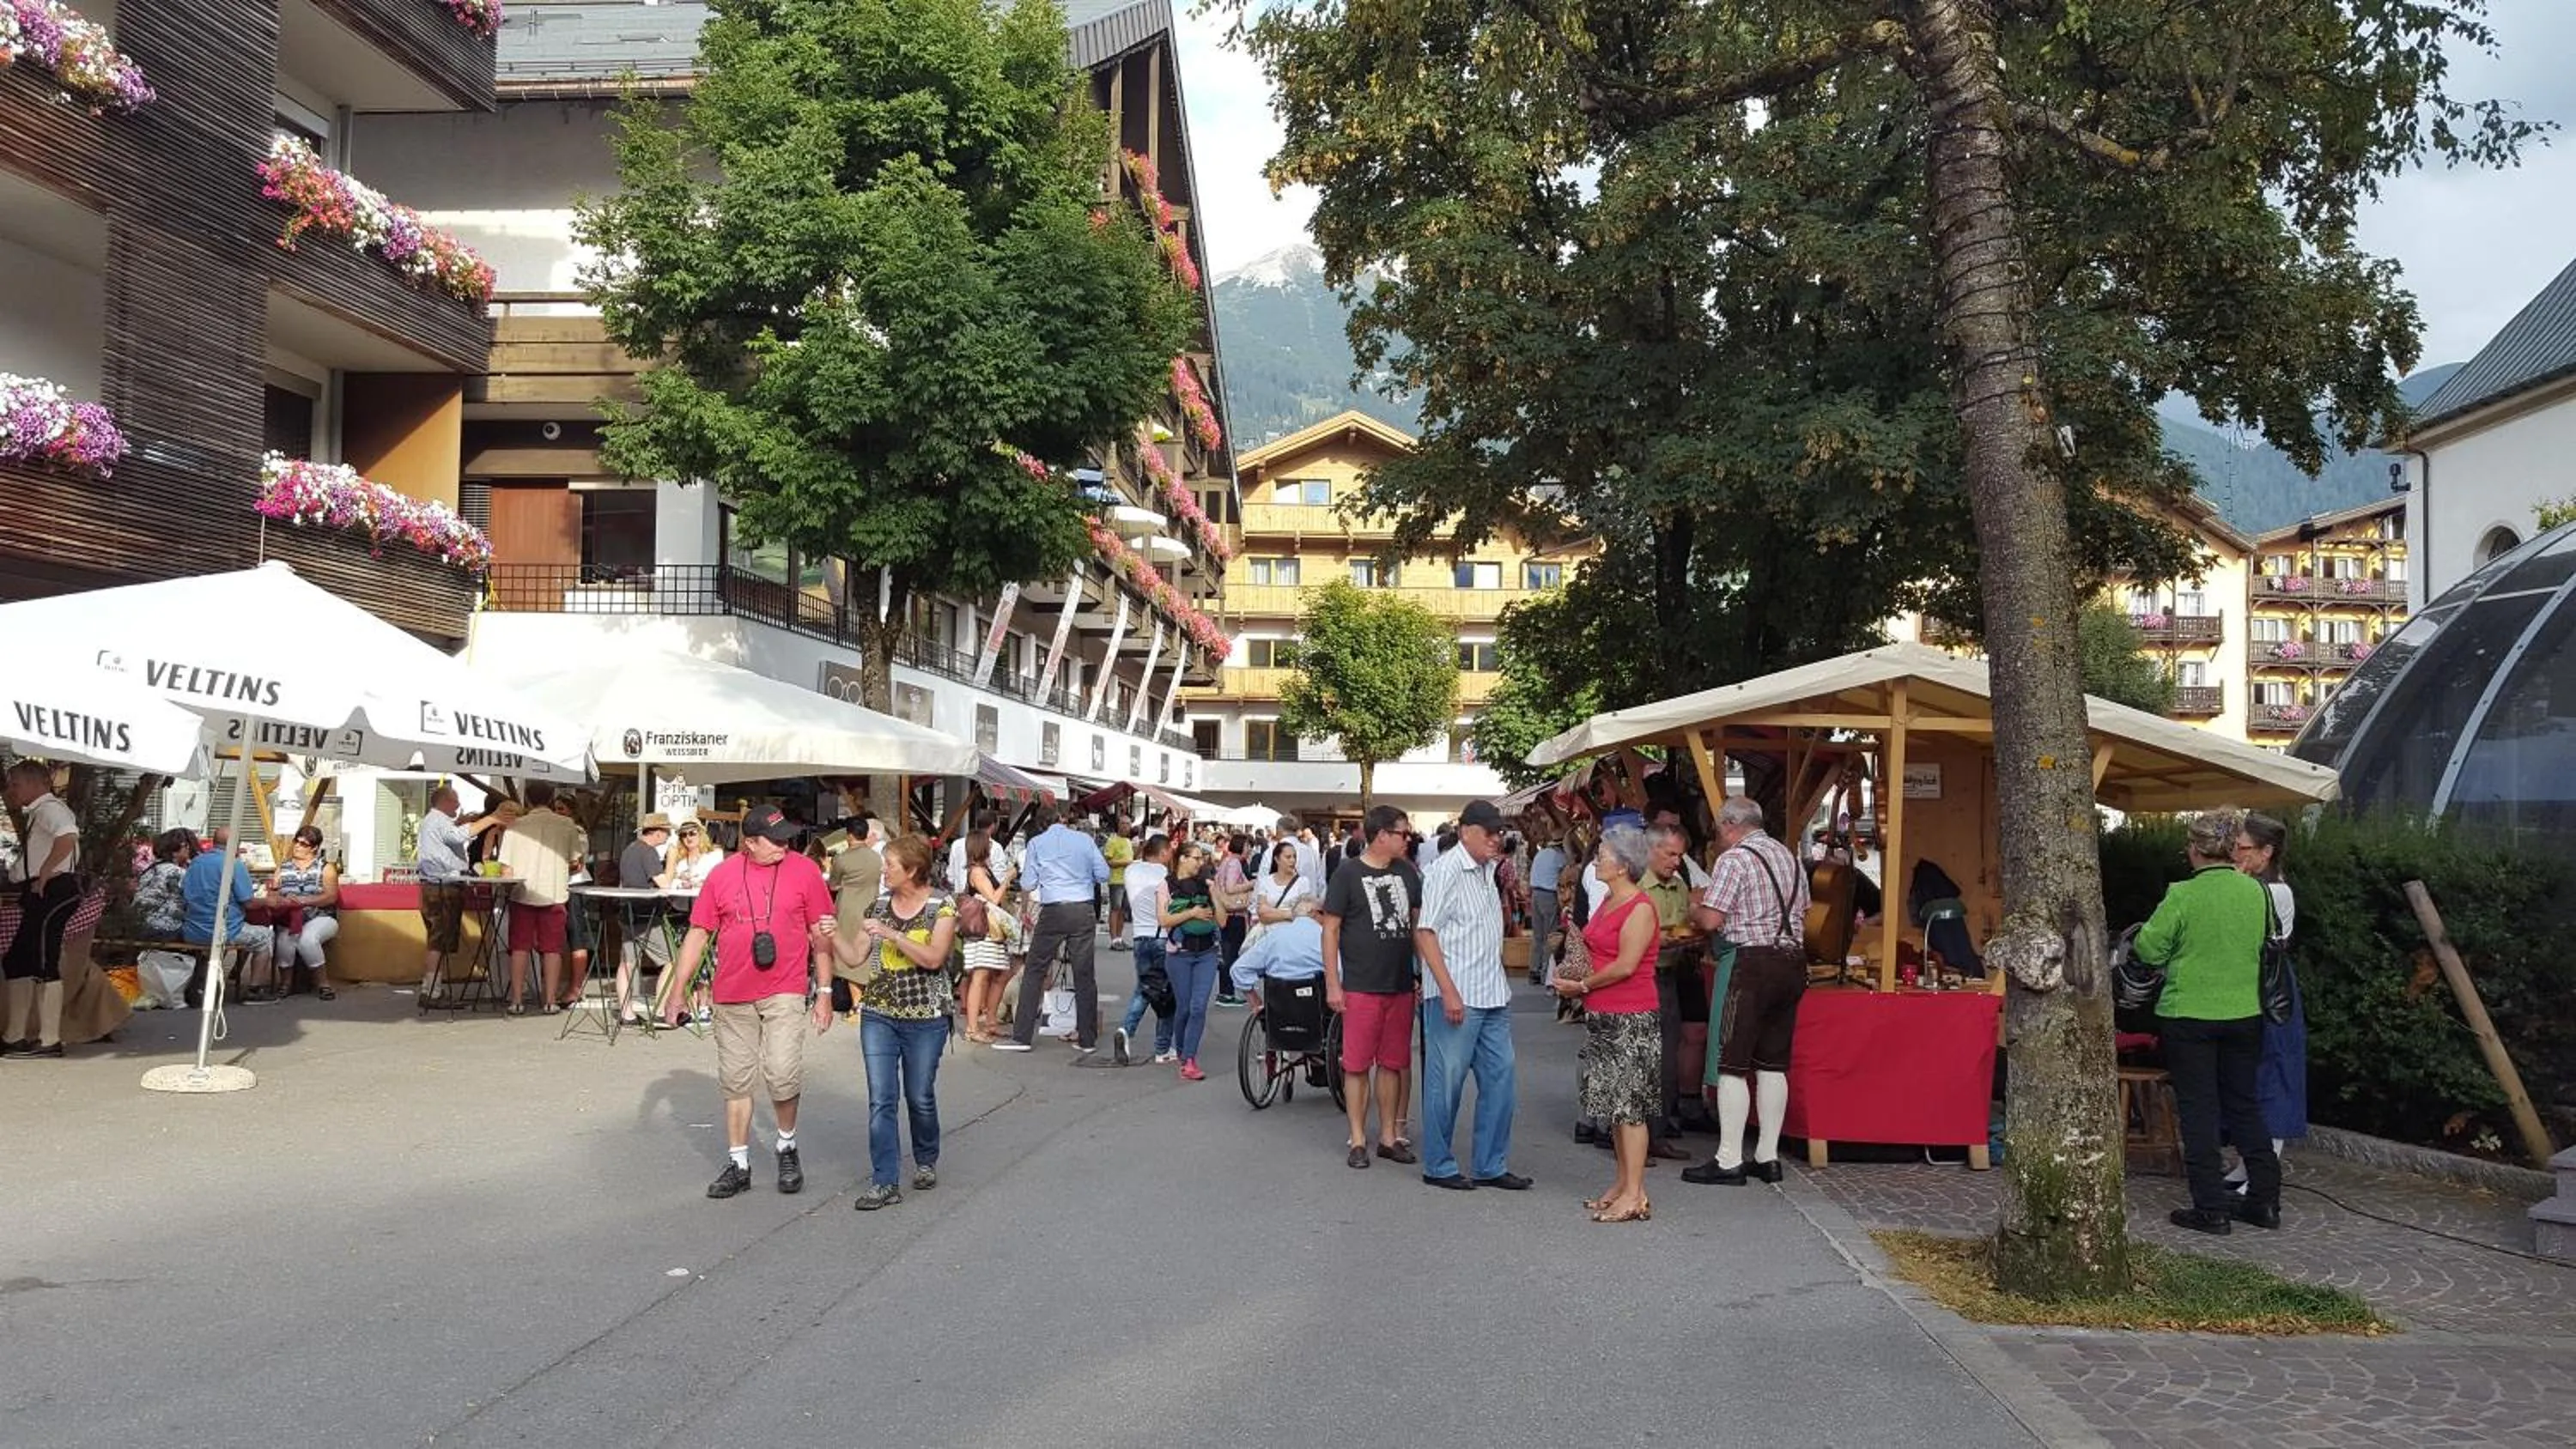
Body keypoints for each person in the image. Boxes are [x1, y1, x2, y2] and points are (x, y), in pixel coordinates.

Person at [667, 804, 837, 1200]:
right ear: (749, 844)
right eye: (775, 840)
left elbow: (820, 934)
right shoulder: (722, 876)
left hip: (785, 988)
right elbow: (698, 933)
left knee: (781, 1071)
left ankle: (786, 1144)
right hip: (732, 993)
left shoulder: (805, 870)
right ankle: (739, 1162)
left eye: (787, 838)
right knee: (736, 1078)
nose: (784, 845)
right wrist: (678, 990)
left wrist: (825, 993)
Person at [2138, 811, 2280, 1234]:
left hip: (2190, 1013)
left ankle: (2211, 1208)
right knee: (2244, 1105)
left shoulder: (2183, 894)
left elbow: (2149, 949)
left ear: (2196, 850)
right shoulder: (2257, 891)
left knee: (2199, 1109)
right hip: (2245, 1012)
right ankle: (2265, 1201)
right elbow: (2268, 940)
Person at [820, 835, 956, 1210]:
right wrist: (832, 937)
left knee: (919, 1096)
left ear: (911, 870)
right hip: (879, 1013)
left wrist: (894, 935)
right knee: (882, 1099)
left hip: (926, 1017)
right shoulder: (878, 905)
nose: (883, 871)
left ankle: (926, 1158)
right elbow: (855, 954)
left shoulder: (941, 906)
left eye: (890, 865)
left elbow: (933, 959)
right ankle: (885, 1181)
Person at [1685, 796, 1812, 1186]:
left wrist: (1694, 906)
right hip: (1792, 960)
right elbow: (1804, 908)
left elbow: (1711, 920)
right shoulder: (1789, 857)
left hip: (1752, 963)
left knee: (1732, 1063)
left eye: (1718, 830)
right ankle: (1767, 1157)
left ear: (1728, 825)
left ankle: (1728, 1159)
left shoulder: (1734, 859)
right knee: (1773, 1063)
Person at [1413, 799, 1528, 1192]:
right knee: (1447, 1083)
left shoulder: (1488, 869)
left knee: (1501, 1080)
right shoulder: (1446, 870)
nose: (1497, 839)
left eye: (1499, 833)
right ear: (1466, 832)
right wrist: (1447, 991)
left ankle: (1490, 1163)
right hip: (1457, 992)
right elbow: (1425, 932)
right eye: (1490, 833)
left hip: (1492, 992)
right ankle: (1439, 1164)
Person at [1552, 824, 1662, 1223]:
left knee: (1630, 1106)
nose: (1597, 859)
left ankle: (1634, 1194)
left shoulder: (1640, 907)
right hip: (1604, 1012)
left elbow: (1626, 965)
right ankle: (1623, 1183)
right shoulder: (1609, 901)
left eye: (1603, 854)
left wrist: (1581, 984)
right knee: (1614, 1105)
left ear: (1623, 865)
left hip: (1631, 1014)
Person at [1322, 804, 1421, 1170]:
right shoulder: (1347, 875)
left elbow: (1415, 926)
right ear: (1382, 835)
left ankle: (1388, 1137)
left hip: (1399, 983)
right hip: (1362, 983)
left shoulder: (1408, 873)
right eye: (1402, 833)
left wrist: (1421, 973)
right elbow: (1330, 929)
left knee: (1393, 1063)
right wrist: (1333, 982)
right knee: (1358, 1064)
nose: (1407, 839)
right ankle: (1358, 1137)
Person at [2230, 810, 2306, 1192]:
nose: (2235, 855)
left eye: (2242, 848)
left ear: (2266, 852)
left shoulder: (2275, 891)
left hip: (2270, 986)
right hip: (2250, 982)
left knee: (2275, 1069)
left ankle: (2265, 1167)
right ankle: (2246, 1164)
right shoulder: (2255, 885)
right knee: (2250, 1072)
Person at [1000, 803, 1108, 1055]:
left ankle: (1022, 1036)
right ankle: (1087, 1038)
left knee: (1035, 970)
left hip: (1053, 908)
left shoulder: (1037, 844)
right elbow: (1102, 873)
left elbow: (1028, 881)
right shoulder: (1084, 840)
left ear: (1039, 824)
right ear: (1061, 818)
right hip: (1082, 908)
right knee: (1084, 973)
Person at [2, 761, 81, 1057]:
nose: (12, 790)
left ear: (35, 783)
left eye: (16, 784)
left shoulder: (51, 809)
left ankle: (49, 1040)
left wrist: (46, 871)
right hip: (39, 890)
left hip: (52, 889)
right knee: (18, 959)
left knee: (42, 958)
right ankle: (15, 1034)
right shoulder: (40, 812)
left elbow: (68, 836)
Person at [1639, 823, 1704, 1153]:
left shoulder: (1679, 887)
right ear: (1651, 850)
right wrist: (1659, 940)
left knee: (1667, 1058)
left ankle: (1659, 1132)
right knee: (1641, 1058)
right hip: (1639, 980)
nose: (1676, 862)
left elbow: (1683, 927)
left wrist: (1690, 938)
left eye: (1680, 855)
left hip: (1668, 978)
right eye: (1670, 854)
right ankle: (1632, 1138)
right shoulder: (1635, 886)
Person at [497, 780, 588, 1016]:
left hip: (522, 892)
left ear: (526, 799)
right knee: (552, 949)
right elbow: (576, 863)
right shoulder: (567, 825)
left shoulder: (515, 826)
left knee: (519, 947)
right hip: (555, 892)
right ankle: (549, 1001)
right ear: (551, 799)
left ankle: (516, 1000)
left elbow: (504, 867)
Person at [412, 785, 501, 1003]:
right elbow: (458, 836)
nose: (458, 805)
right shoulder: (438, 820)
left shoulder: (434, 821)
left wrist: (462, 822)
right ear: (445, 801)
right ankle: (431, 991)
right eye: (455, 800)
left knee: (438, 940)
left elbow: (450, 835)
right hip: (443, 886)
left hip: (436, 885)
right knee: (438, 941)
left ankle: (432, 986)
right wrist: (491, 819)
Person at [1150, 838, 1226, 1079]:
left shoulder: (1206, 884)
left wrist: (1214, 893)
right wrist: (1192, 912)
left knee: (1198, 1007)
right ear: (1182, 858)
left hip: (1207, 953)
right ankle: (1183, 1052)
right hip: (1179, 955)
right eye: (1196, 858)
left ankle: (1190, 1059)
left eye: (1202, 859)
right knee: (1183, 1008)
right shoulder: (1166, 886)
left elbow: (1222, 921)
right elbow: (1163, 920)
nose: (1200, 863)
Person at [181, 828, 275, 1006]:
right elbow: (248, 902)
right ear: (236, 845)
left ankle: (210, 979)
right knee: (265, 936)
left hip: (192, 929)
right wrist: (269, 901)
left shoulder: (196, 862)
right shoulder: (234, 864)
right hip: (224, 931)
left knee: (241, 932)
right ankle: (254, 991)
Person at [1115, 833, 1176, 1064]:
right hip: (1161, 937)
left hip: (1140, 937)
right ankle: (1162, 1048)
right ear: (1162, 853)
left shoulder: (1131, 871)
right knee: (1166, 994)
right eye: (1169, 852)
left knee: (1146, 987)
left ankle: (1126, 1031)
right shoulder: (1165, 875)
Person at [614, 813, 676, 1025]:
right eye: (667, 831)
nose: (668, 835)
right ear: (658, 832)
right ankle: (659, 1011)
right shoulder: (648, 852)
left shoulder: (629, 850)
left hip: (627, 912)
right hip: (646, 915)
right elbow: (665, 884)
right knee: (671, 962)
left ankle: (626, 1013)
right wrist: (672, 860)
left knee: (627, 963)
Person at [957, 827, 1017, 1043]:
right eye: (988, 843)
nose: (991, 847)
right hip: (983, 931)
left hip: (991, 930)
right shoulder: (977, 872)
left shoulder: (983, 869)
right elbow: (992, 898)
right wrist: (1007, 879)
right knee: (980, 976)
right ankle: (973, 1028)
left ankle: (990, 1020)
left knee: (998, 975)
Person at [269, 825, 342, 1001]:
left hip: (321, 916)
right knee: (284, 940)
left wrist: (304, 901)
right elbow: (273, 893)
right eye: (297, 841)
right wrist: (279, 899)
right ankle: (286, 983)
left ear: (314, 848)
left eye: (303, 844)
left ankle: (323, 983)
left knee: (307, 939)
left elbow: (331, 897)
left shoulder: (325, 868)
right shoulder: (283, 868)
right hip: (290, 917)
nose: (298, 846)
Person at [1232, 899, 1327, 1006]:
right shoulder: (1325, 935)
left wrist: (1255, 1001)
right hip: (1316, 1003)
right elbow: (1339, 969)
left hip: (1278, 1004)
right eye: (1323, 913)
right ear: (1313, 913)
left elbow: (1239, 969)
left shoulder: (1274, 936)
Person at [1210, 833, 1255, 1007]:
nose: (1249, 849)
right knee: (1231, 953)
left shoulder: (1226, 861)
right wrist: (1251, 884)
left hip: (1224, 912)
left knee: (1227, 952)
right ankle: (1227, 993)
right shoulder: (1235, 863)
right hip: (1234, 913)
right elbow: (1230, 887)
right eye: (1247, 846)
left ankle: (1225, 991)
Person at [1249, 840, 1319, 946]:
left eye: (1294, 857)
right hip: (1268, 937)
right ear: (1277, 859)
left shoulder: (1303, 882)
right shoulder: (1266, 881)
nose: (1293, 860)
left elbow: (1304, 913)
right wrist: (1290, 913)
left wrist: (1272, 912)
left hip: (1293, 937)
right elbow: (1262, 914)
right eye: (1288, 857)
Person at [1527, 827, 1566, 985]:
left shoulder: (1541, 853)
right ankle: (1545, 972)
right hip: (1548, 896)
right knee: (1551, 935)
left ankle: (1534, 969)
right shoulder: (1559, 856)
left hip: (1535, 894)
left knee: (1538, 935)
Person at [665, 818, 725, 889]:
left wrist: (694, 882)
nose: (688, 837)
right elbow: (669, 882)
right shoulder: (679, 860)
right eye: (684, 835)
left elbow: (719, 880)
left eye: (692, 833)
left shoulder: (715, 855)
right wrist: (680, 883)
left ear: (700, 835)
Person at [1103, 820, 1134, 948]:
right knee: (1115, 909)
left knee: (1123, 911)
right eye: (1123, 823)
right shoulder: (1112, 841)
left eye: (1127, 824)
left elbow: (1131, 859)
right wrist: (1124, 863)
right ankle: (1114, 939)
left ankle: (1120, 938)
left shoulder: (1128, 842)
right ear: (1118, 825)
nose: (1125, 826)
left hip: (1128, 881)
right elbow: (1108, 862)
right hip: (1116, 880)